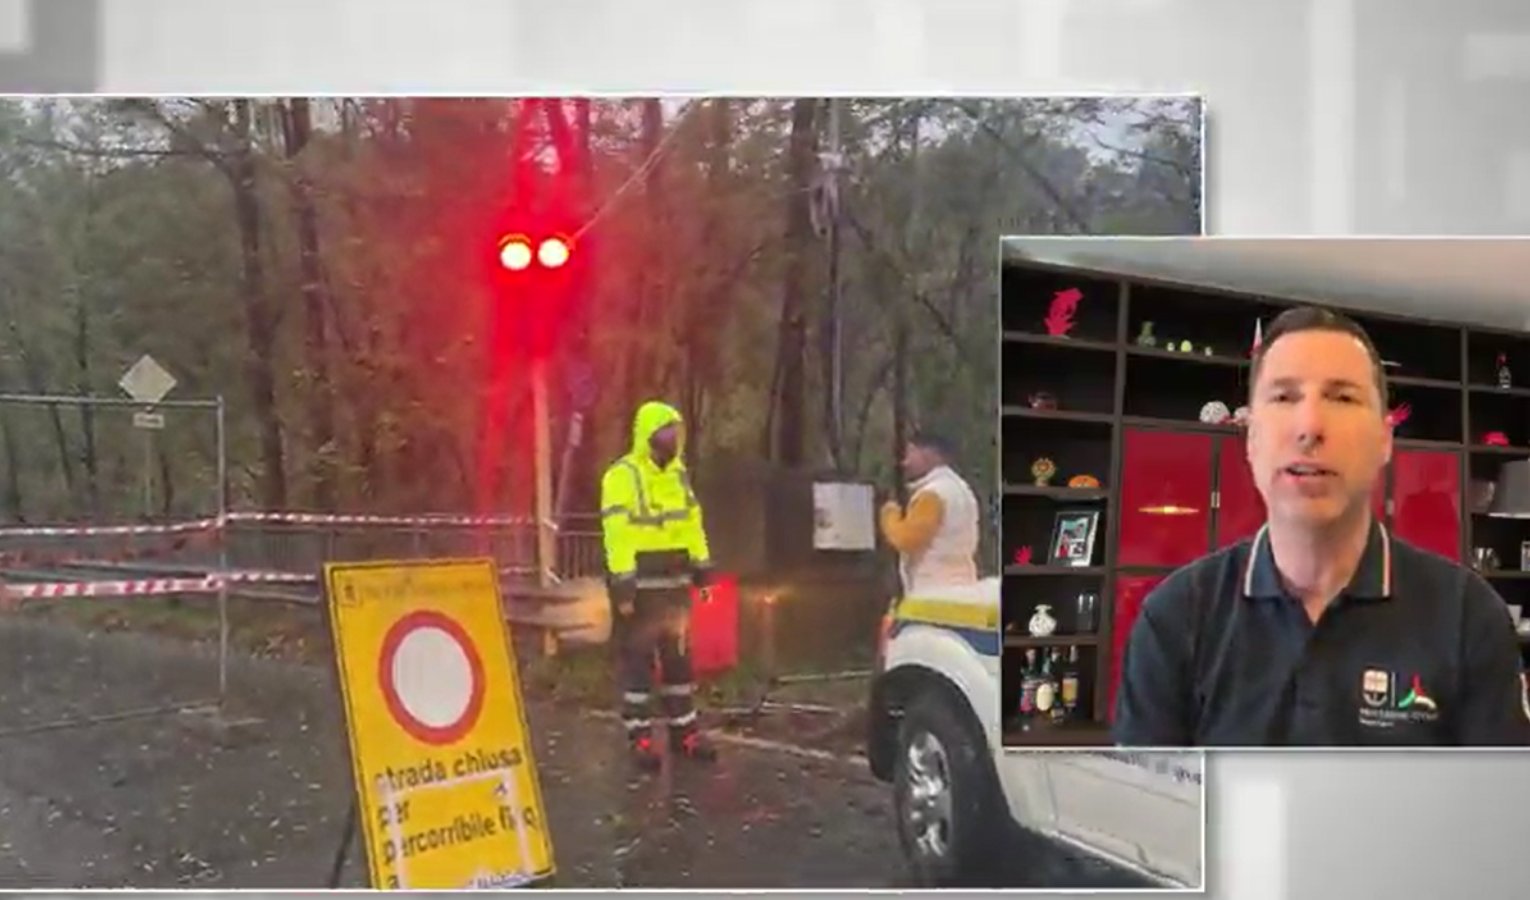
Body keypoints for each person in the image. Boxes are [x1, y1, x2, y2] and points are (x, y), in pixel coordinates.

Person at [1113, 306, 1530, 747]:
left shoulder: (1469, 618)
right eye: (1284, 397)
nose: (1310, 427)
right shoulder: (1175, 618)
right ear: (1251, 438)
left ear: (1384, 440)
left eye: (1343, 397)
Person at [599, 400, 718, 771]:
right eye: (666, 430)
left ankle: (685, 733)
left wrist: (703, 565)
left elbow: (691, 523)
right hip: (641, 587)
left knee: (679, 661)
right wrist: (623, 584)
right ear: (648, 435)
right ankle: (641, 737)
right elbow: (616, 533)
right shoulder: (622, 476)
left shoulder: (678, 475)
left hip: (674, 585)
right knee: (638, 664)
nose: (673, 437)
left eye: (675, 430)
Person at [879, 430, 980, 596]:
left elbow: (906, 540)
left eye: (911, 453)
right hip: (964, 587)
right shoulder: (961, 489)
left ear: (929, 454)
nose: (905, 463)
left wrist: (889, 514)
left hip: (932, 591)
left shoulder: (932, 494)